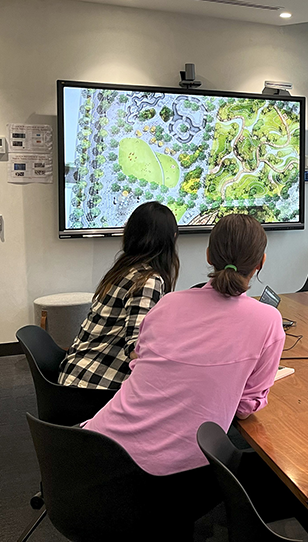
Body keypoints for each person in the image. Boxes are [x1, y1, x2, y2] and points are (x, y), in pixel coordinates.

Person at [82, 213, 286, 525]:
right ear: (261, 262)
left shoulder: (167, 304)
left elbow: (142, 367)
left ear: (208, 255)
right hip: (166, 484)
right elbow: (244, 409)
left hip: (90, 453)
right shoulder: (267, 321)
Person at [59, 201, 179, 389]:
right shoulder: (147, 280)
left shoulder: (124, 269)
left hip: (75, 373)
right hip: (94, 386)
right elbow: (136, 349)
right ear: (171, 239)